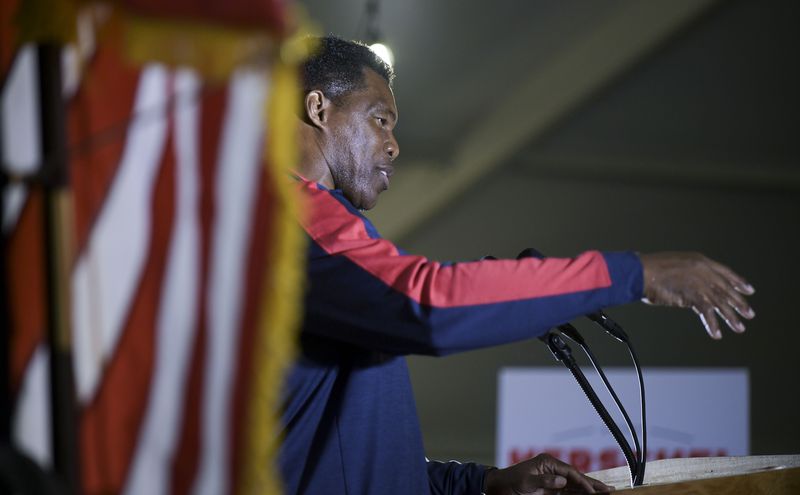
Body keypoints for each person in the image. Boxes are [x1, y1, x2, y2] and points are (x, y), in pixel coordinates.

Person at [277, 36, 755, 495]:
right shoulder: (290, 217)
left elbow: (345, 460)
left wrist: (480, 484)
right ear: (319, 108)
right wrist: (635, 274)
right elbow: (428, 302)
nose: (393, 144)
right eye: (380, 120)